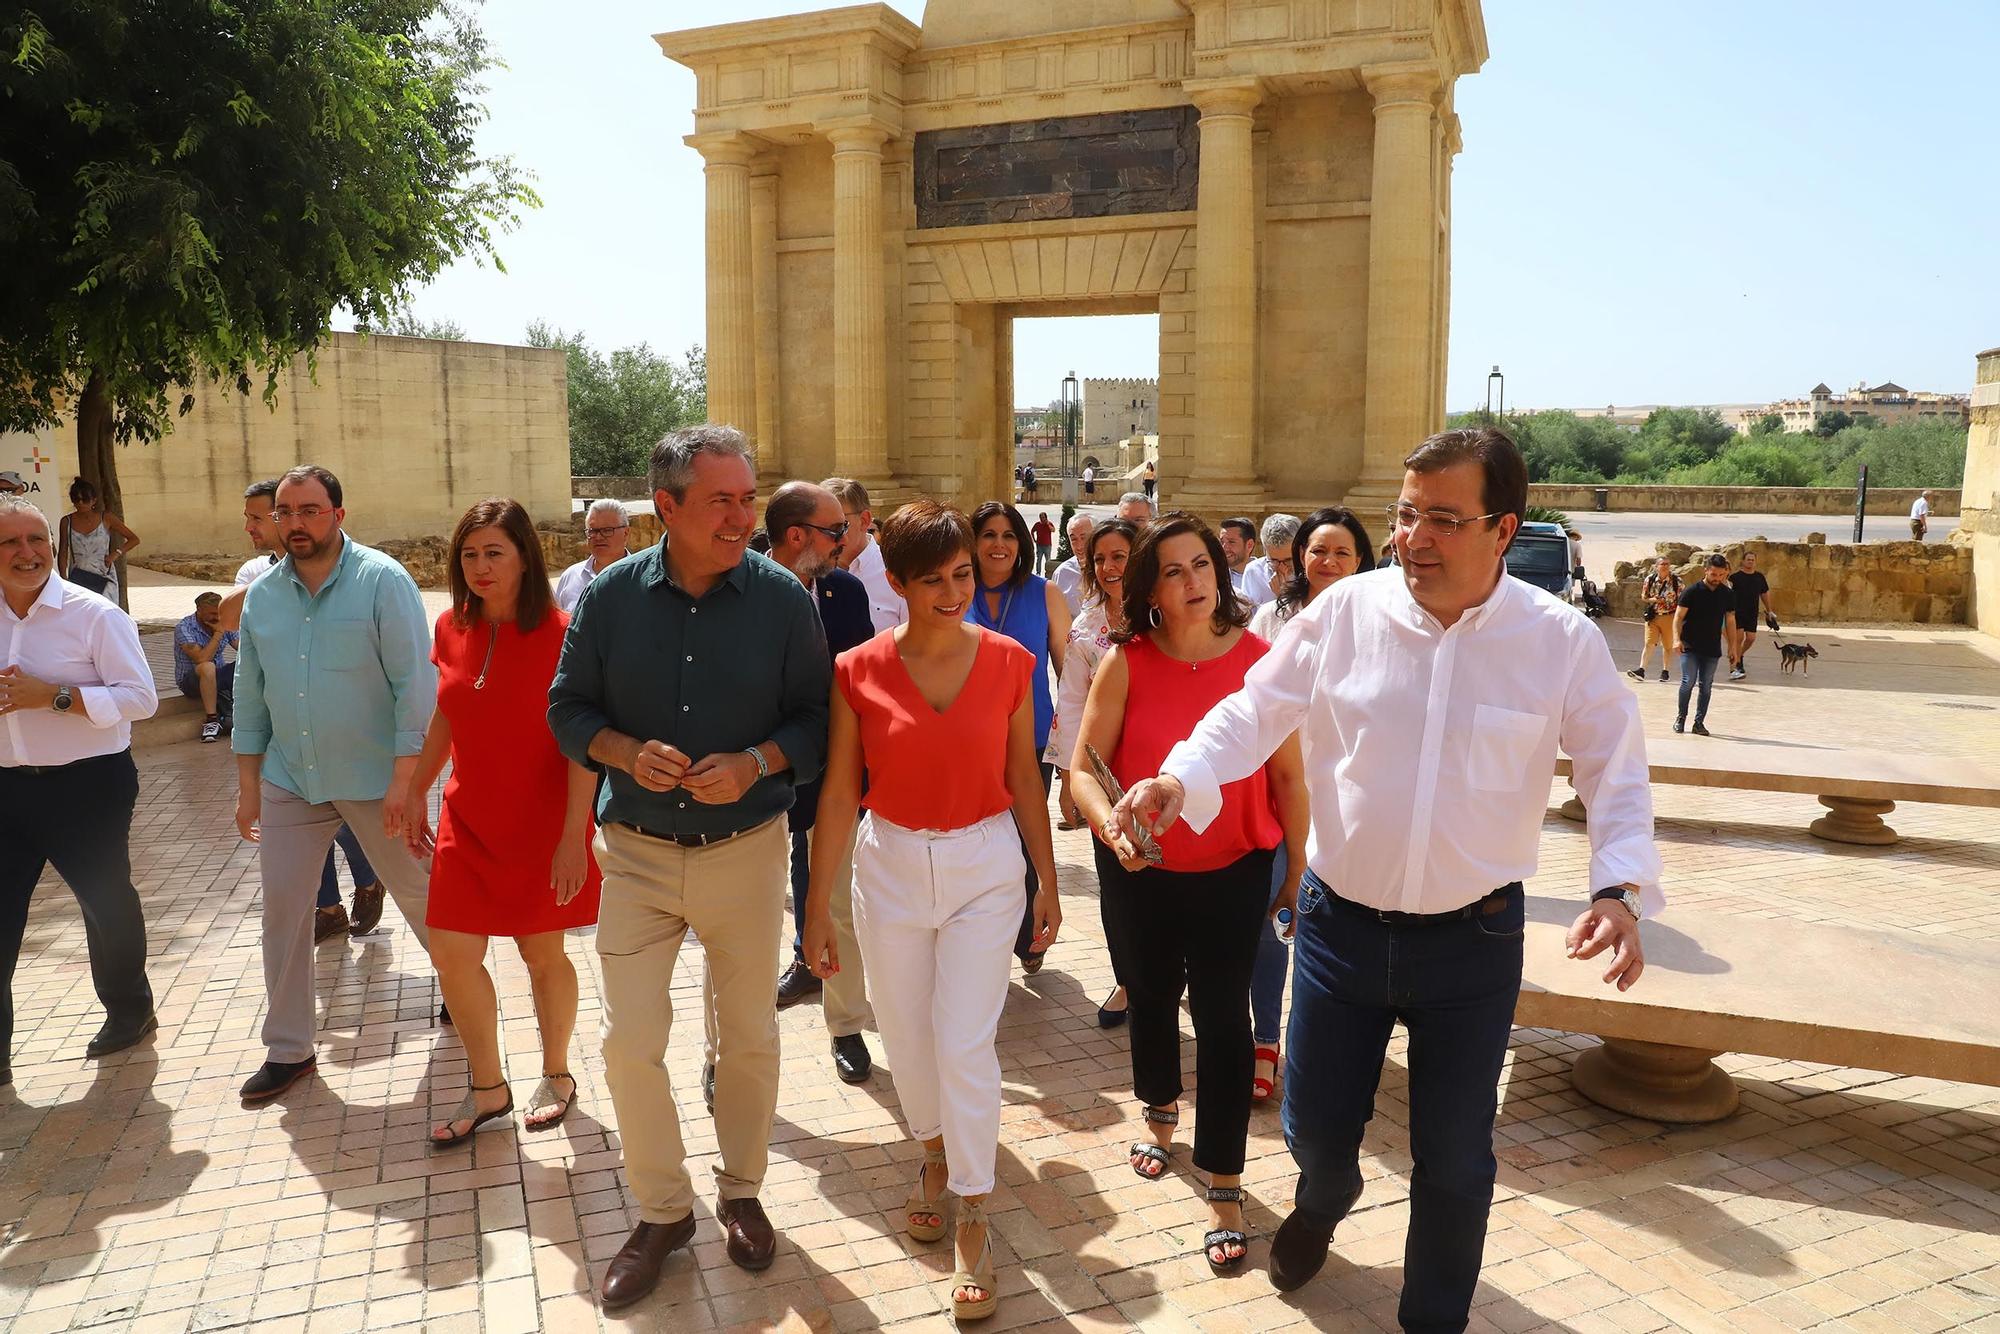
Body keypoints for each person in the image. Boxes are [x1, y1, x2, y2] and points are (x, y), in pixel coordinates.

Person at [1111, 427, 1660, 1328]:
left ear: (1503, 527)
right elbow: (1253, 712)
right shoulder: (1344, 613)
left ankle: (1431, 1316)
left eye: (1444, 518)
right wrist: (1181, 777)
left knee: (1455, 1160)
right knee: (1316, 1137)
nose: (1414, 537)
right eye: (1405, 514)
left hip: (1473, 942)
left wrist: (1618, 889)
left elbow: (1615, 768)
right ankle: (1323, 1202)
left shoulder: (1556, 641)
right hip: (1339, 934)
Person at [549, 426, 829, 1306]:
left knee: (747, 1035)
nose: (744, 515)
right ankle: (663, 1210)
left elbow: (819, 724)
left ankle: (741, 1192)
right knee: (631, 1043)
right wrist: (623, 750)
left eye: (749, 497)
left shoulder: (785, 601)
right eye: (723, 501)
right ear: (664, 507)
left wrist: (758, 764)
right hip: (633, 856)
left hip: (747, 855)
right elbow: (566, 708)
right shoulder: (609, 599)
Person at [800, 499, 1060, 1323]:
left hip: (987, 864)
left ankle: (975, 1210)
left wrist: (1048, 882)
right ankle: (935, 1156)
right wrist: (813, 911)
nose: (953, 591)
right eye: (933, 579)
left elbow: (1025, 780)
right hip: (893, 866)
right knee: (906, 1037)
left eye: (961, 575)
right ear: (900, 582)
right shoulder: (858, 670)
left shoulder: (1014, 661)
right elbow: (840, 792)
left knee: (963, 1040)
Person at [1069, 514, 1307, 1275]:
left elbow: (1288, 778)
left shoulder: (1262, 662)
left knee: (1223, 1015)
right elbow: (1082, 768)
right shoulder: (1126, 661)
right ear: (1151, 590)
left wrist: (1300, 868)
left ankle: (1226, 1180)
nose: (1192, 581)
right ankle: (1161, 1111)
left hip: (1237, 868)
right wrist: (1111, 831)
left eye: (1200, 565)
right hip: (1138, 868)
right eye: (1171, 571)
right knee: (1146, 992)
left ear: (1221, 571)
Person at [231, 464, 439, 1104]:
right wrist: (248, 788)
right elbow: (249, 696)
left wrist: (407, 781)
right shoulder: (263, 596)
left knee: (420, 894)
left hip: (377, 780)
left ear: (338, 516)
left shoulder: (382, 581)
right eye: (285, 512)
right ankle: (289, 1049)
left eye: (309, 510)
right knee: (283, 914)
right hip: (292, 780)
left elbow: (416, 684)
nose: (295, 523)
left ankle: (463, 987)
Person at [404, 498, 602, 1147]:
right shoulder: (449, 627)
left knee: (542, 954)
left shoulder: (565, 632)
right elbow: (447, 714)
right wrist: (412, 790)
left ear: (525, 557)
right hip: (470, 816)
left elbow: (583, 743)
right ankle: (488, 1087)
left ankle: (557, 1073)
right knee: (452, 951)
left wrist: (576, 836)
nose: (481, 566)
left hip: (543, 823)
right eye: (470, 554)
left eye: (495, 552)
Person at [0, 495, 159, 1089]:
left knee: (105, 901)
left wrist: (56, 697)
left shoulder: (94, 614)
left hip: (87, 786)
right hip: (4, 790)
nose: (28, 553)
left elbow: (140, 698)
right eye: (12, 542)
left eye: (37, 539)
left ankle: (129, 1010)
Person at [1244, 507, 1374, 1103]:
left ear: (1363, 561)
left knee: (1344, 931)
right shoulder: (1273, 618)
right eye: (1318, 550)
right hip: (1284, 793)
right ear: (1300, 556)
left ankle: (1326, 1046)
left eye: (1342, 552)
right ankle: (1264, 1039)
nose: (1327, 562)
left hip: (1353, 799)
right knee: (1279, 917)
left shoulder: (1383, 621)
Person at [229, 478, 385, 944]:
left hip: (362, 764)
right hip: (287, 761)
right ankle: (330, 908)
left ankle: (371, 879)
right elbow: (227, 621)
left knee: (351, 830)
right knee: (293, 866)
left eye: (259, 517)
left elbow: (411, 685)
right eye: (277, 515)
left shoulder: (371, 579)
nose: (254, 527)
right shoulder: (258, 580)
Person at [759, 482, 875, 1085]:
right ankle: (735, 1045)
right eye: (836, 532)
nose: (846, 542)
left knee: (838, 906)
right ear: (799, 535)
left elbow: (856, 687)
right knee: (746, 915)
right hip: (748, 783)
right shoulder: (740, 584)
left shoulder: (844, 591)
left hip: (828, 779)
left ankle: (846, 1024)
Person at [967, 502, 1071, 973]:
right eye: (988, 534)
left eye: (1009, 535)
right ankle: (981, 939)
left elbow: (1069, 674)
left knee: (1026, 839)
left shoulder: (1043, 593)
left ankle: (1031, 932)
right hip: (966, 742)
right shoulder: (953, 589)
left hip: (1029, 740)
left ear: (1023, 544)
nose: (999, 545)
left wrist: (1073, 754)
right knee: (976, 844)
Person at [1046, 519, 1137, 1022]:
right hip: (1105, 782)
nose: (1108, 568)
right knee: (1117, 890)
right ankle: (1127, 980)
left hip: (1171, 774)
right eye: (1099, 559)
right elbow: (1073, 707)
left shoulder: (1166, 615)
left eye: (1119, 556)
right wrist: (1067, 782)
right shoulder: (1085, 628)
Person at [825, 476, 907, 633]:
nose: (828, 534)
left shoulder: (897, 570)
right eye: (821, 525)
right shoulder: (812, 572)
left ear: (864, 520)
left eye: (837, 525)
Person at [1673, 554, 1733, 734]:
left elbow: (1730, 621)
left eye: (1721, 575)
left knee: (1706, 685)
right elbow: (1678, 617)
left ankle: (1699, 722)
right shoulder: (1692, 591)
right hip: (1690, 645)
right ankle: (1681, 717)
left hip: (1712, 647)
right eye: (1714, 574)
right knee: (1687, 681)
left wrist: (1733, 647)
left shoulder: (1727, 594)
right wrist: (1676, 639)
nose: (1717, 579)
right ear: (1706, 570)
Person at [56, 478, 139, 603]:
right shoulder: (66, 522)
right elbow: (63, 551)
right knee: (84, 615)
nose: (81, 503)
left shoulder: (106, 518)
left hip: (104, 576)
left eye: (85, 499)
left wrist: (115, 554)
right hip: (79, 577)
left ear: (94, 500)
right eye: (77, 500)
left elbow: (134, 539)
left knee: (107, 613)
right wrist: (63, 578)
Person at [174, 591, 237, 743]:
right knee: (207, 667)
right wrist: (219, 633)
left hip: (218, 676)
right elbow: (202, 658)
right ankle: (211, 721)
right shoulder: (184, 627)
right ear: (199, 610)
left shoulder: (224, 620)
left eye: (219, 612)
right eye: (211, 613)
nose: (216, 617)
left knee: (249, 661)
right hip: (192, 680)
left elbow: (242, 648)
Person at [557, 499, 632, 613]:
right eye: (592, 531)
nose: (598, 537)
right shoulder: (570, 577)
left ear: (626, 533)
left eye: (607, 530)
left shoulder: (642, 578)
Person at [1726, 550, 1773, 681]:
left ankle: (1739, 655)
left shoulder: (1759, 577)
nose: (1750, 562)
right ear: (1743, 561)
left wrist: (1770, 611)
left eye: (1753, 560)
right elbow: (1728, 594)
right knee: (1738, 639)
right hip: (1737, 613)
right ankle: (1735, 667)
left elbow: (1764, 593)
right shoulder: (1735, 578)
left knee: (1751, 638)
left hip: (1752, 613)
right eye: (1748, 559)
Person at [1239, 513, 1300, 608]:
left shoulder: (1311, 572)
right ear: (1264, 550)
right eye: (1274, 560)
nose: (1281, 568)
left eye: (1288, 560)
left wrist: (1284, 597)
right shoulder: (1253, 571)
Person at [1051, 511, 1096, 617]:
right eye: (1074, 539)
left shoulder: (1110, 569)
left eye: (1084, 538)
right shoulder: (1062, 573)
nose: (1079, 546)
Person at [1217, 517, 1255, 594]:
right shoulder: (1217, 577)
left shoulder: (1265, 575)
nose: (1224, 548)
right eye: (1222, 542)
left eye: (1231, 542)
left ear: (1249, 545)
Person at [1030, 511, 1056, 576]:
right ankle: (1038, 572)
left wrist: (1047, 524)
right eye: (1041, 517)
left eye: (1043, 517)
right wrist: (1034, 540)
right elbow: (1032, 531)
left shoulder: (1049, 524)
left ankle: (1047, 573)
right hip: (1039, 545)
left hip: (1047, 545)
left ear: (1046, 518)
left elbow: (1053, 530)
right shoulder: (1037, 524)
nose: (1042, 519)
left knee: (1048, 560)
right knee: (1039, 559)